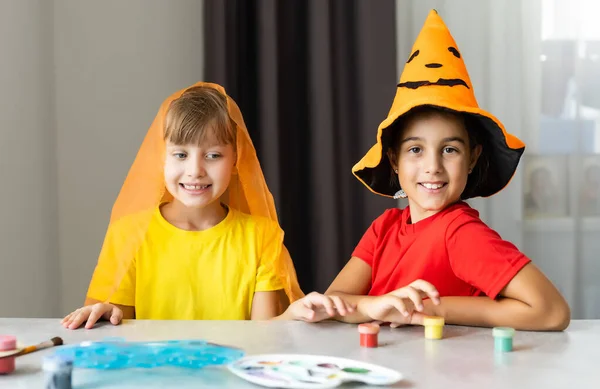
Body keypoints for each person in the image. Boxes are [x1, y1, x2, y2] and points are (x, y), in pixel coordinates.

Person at [325, 10, 570, 331]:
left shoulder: (459, 233)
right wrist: (379, 305)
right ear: (394, 160)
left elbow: (551, 312)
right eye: (415, 149)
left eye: (450, 150)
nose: (433, 166)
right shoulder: (384, 228)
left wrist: (428, 307)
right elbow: (334, 302)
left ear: (472, 158)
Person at [63, 83, 353, 329]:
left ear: (236, 159)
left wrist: (293, 315)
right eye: (180, 154)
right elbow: (117, 328)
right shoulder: (129, 234)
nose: (195, 170)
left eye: (213, 155)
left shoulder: (262, 236)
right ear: (160, 158)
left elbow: (264, 335)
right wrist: (104, 314)